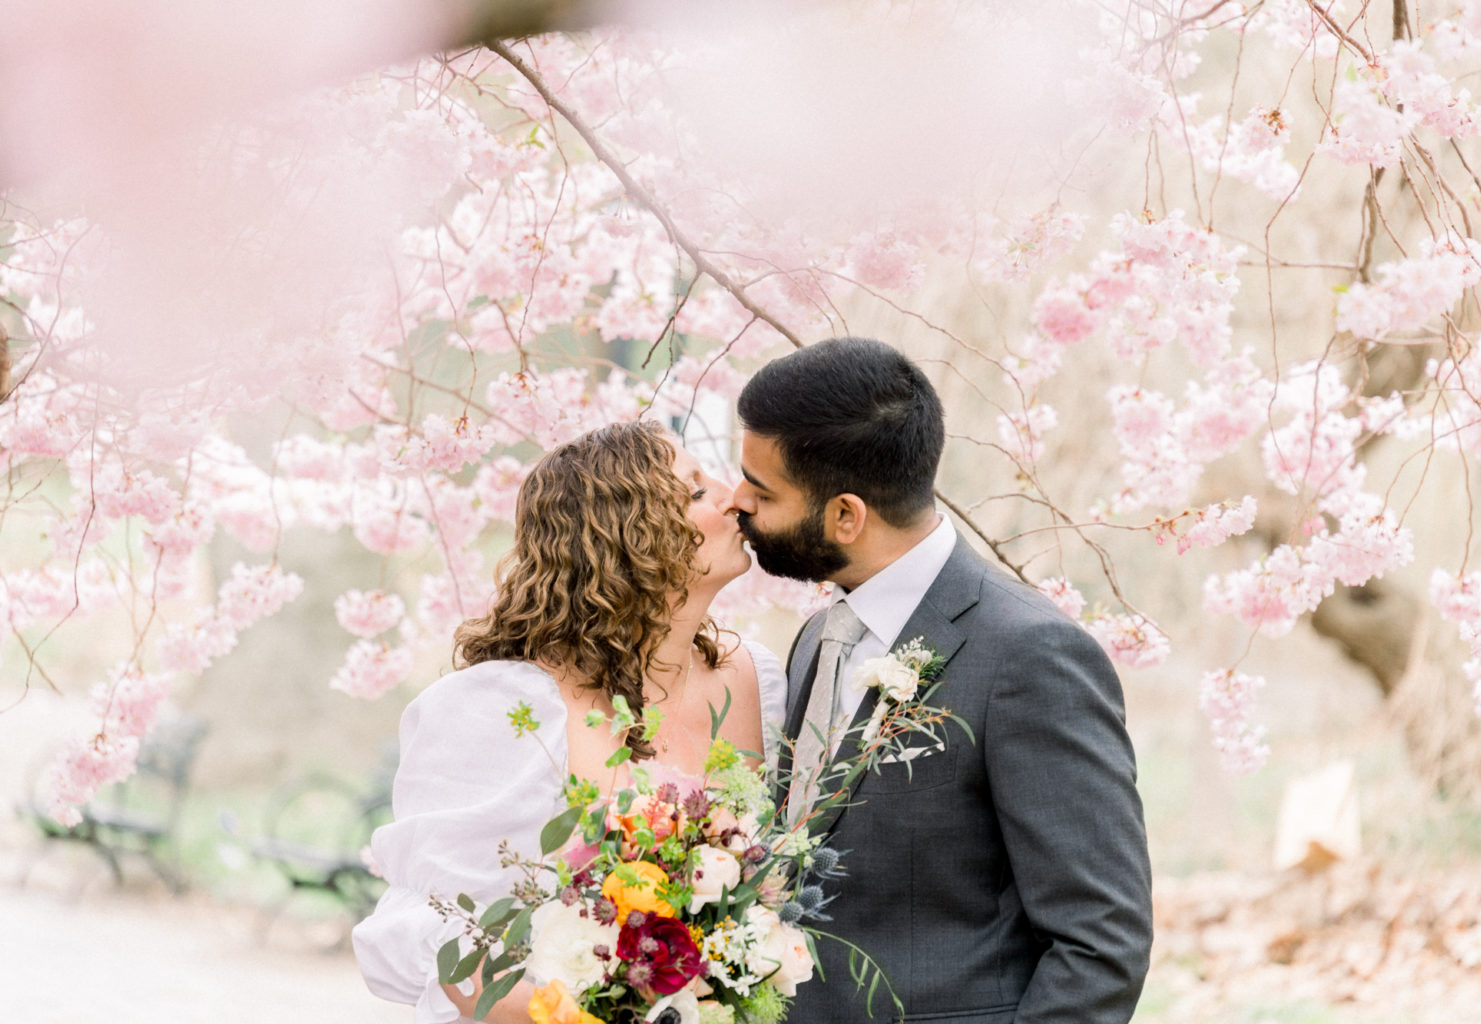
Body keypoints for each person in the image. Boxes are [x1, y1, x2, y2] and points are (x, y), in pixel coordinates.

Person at [733, 336, 1154, 1024]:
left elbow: (1101, 943)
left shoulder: (1030, 655)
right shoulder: (820, 635)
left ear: (846, 515)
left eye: (762, 490)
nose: (737, 502)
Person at [353, 420, 787, 1024]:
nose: (733, 495)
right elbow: (434, 922)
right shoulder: (504, 707)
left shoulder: (756, 678)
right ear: (630, 539)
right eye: (694, 491)